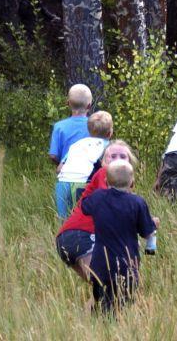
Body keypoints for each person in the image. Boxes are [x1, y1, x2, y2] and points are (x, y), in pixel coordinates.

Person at [82, 160, 158, 313]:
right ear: (132, 183)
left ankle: (99, 325)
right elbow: (146, 232)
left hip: (100, 264)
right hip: (127, 264)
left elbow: (84, 206)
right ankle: (115, 327)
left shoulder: (98, 198)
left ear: (105, 181)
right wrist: (153, 224)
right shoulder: (137, 203)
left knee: (100, 300)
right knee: (122, 304)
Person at [55, 141, 138, 282]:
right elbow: (111, 204)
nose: (117, 160)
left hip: (69, 238)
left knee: (107, 292)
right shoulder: (105, 173)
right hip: (81, 235)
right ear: (103, 162)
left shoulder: (124, 190)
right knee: (110, 284)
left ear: (130, 162)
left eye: (123, 156)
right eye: (112, 156)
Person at [55, 111, 113, 218]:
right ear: (110, 134)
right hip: (84, 184)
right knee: (84, 218)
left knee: (63, 220)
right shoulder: (108, 147)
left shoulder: (77, 144)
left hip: (62, 183)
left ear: (89, 131)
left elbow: (59, 168)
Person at [49, 84, 93, 218]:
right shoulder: (94, 126)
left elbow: (53, 155)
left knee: (64, 219)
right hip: (89, 178)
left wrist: (60, 164)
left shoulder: (59, 127)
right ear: (89, 105)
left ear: (68, 103)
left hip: (65, 178)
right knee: (87, 218)